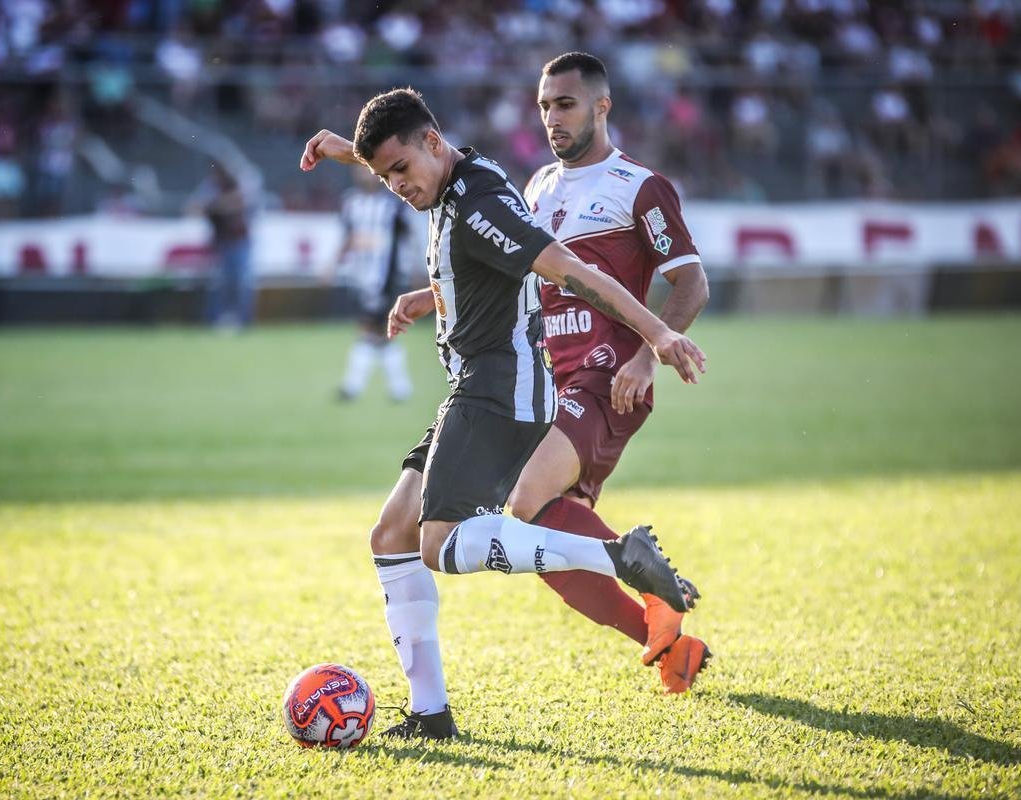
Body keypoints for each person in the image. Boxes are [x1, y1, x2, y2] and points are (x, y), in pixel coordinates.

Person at [300, 87, 706, 740]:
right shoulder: (458, 173)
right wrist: (353, 155)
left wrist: (656, 335)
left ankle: (616, 556)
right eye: (385, 176)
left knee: (435, 543)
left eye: (399, 170)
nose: (397, 186)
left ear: (433, 144)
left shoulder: (479, 205)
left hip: (499, 391)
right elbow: (423, 180)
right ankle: (431, 716)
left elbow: (571, 270)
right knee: (392, 536)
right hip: (479, 384)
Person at [506, 52, 713, 695]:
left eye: (564, 104)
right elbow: (515, 273)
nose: (551, 118)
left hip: (608, 377)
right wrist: (427, 297)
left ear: (602, 106)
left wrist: (647, 354)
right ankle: (668, 637)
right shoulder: (538, 187)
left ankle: (647, 576)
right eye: (544, 106)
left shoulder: (639, 187)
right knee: (541, 537)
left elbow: (692, 283)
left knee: (522, 504)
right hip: (548, 381)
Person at [332, 164, 418, 403]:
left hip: (385, 278)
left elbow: (407, 237)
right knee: (379, 334)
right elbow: (348, 236)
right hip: (360, 277)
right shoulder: (350, 202)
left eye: (367, 170)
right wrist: (332, 264)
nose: (363, 174)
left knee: (371, 330)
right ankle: (399, 389)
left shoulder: (393, 204)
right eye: (359, 170)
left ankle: (353, 387)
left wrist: (412, 269)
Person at [186, 161, 255, 330]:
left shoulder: (231, 185)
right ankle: (215, 321)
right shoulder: (210, 189)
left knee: (241, 283)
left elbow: (238, 201)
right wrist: (217, 206)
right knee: (221, 283)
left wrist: (215, 205)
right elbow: (193, 209)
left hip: (238, 242)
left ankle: (243, 321)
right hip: (223, 243)